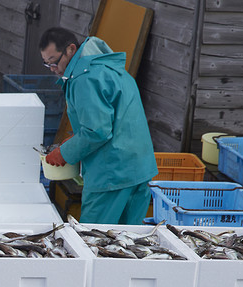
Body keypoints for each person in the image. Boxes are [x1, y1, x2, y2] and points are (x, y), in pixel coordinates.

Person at [40, 27, 157, 225]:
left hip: (111, 176)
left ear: (70, 50)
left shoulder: (84, 78)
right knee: (128, 243)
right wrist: (75, 139)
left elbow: (97, 131)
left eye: (53, 62)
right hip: (138, 170)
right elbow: (113, 118)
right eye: (46, 64)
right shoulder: (106, 65)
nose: (52, 69)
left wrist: (64, 152)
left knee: (93, 242)